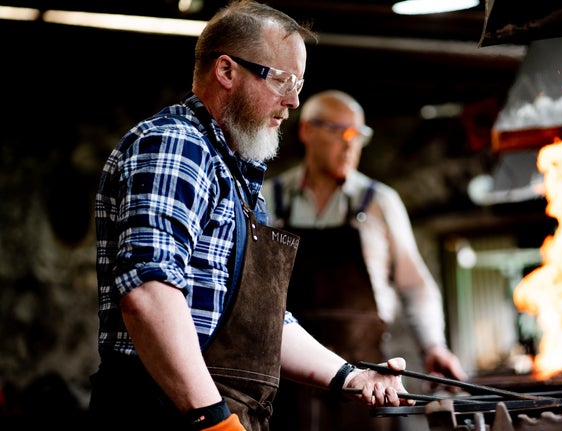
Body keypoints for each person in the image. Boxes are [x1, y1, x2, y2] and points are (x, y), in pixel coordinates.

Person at [88, 2, 414, 431]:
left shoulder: (236, 175)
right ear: (226, 72)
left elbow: (265, 322)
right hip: (164, 411)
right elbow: (149, 293)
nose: (294, 101)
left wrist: (350, 377)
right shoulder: (176, 147)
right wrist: (212, 417)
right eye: (282, 80)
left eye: (299, 83)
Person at [262, 90, 467, 431]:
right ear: (307, 131)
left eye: (358, 136)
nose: (350, 146)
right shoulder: (269, 199)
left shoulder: (379, 203)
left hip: (367, 382)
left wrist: (434, 344)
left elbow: (415, 286)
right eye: (339, 133)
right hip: (287, 381)